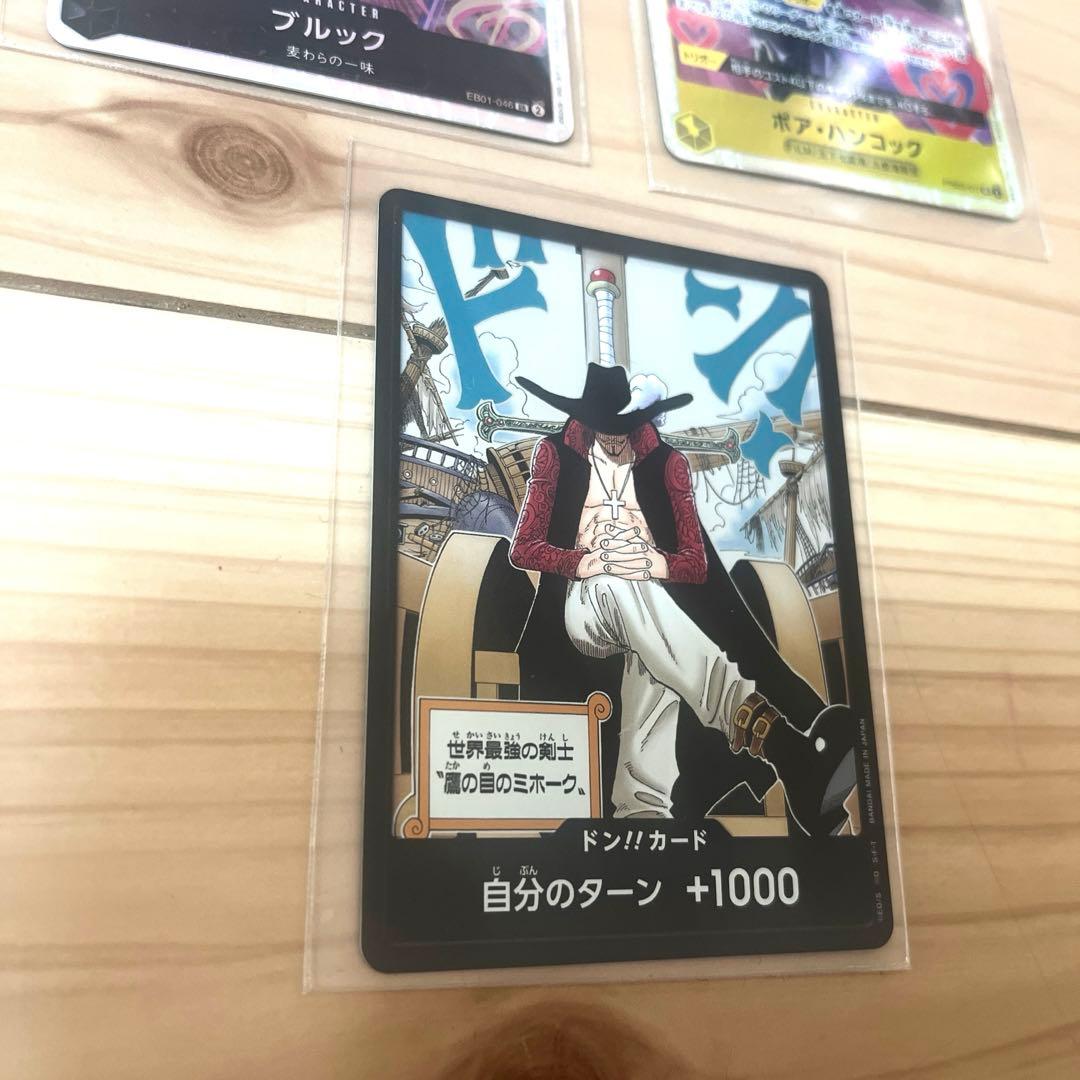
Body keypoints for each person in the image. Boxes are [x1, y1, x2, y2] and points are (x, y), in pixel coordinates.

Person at [509, 363, 855, 837]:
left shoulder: (664, 464)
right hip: (584, 606)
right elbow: (523, 548)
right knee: (619, 588)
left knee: (653, 652)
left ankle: (643, 812)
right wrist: (585, 561)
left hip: (650, 605)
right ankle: (780, 745)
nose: (613, 438)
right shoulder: (555, 455)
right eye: (603, 428)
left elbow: (695, 563)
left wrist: (651, 562)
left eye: (623, 427)